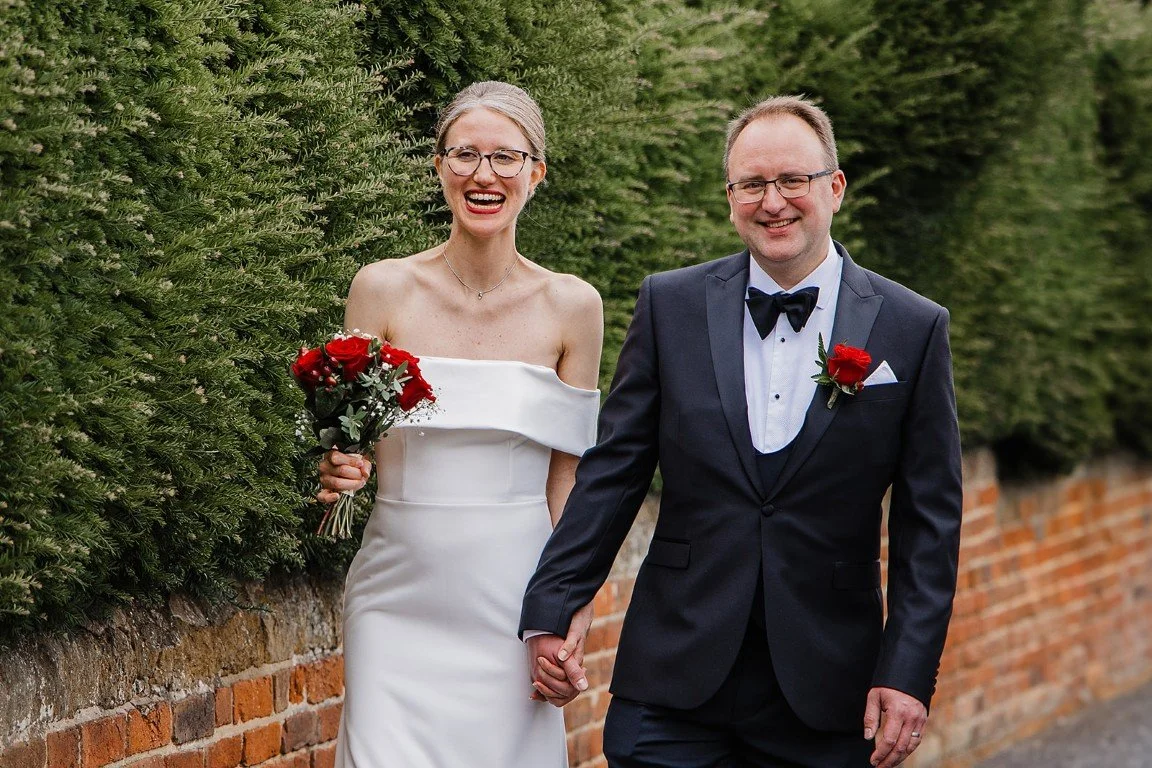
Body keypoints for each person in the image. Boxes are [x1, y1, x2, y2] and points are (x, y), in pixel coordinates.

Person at [520, 95, 963, 768]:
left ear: (835, 188)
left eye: (794, 181)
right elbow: (614, 471)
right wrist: (555, 604)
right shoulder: (669, 306)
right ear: (730, 198)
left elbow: (929, 524)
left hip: (827, 687)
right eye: (752, 184)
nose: (773, 201)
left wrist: (906, 672)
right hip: (673, 677)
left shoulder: (913, 327)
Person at [316, 81, 603, 768]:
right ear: (438, 166)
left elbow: (571, 485)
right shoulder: (381, 288)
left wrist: (572, 619)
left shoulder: (574, 307)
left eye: (506, 157)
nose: (484, 174)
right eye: (465, 154)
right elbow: (348, 444)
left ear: (536, 173)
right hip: (396, 597)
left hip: (514, 604)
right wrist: (338, 471)